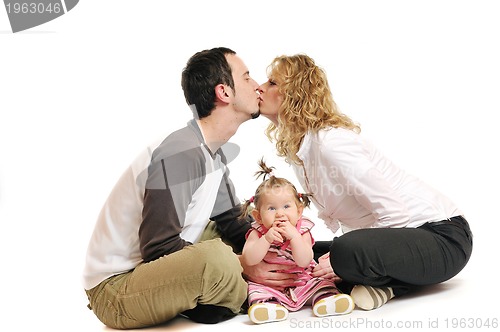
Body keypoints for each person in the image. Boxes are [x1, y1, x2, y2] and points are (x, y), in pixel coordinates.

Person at [252, 53, 473, 311]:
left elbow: (395, 214)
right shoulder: (303, 149)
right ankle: (378, 286)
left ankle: (385, 285)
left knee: (344, 251)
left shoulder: (331, 144)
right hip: (404, 242)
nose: (260, 87)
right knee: (299, 251)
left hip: (442, 240)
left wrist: (339, 260)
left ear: (295, 94)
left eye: (272, 83)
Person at [82, 47, 261, 329]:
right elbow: (159, 246)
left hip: (155, 269)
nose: (258, 86)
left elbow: (233, 221)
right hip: (118, 289)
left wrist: (275, 243)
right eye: (248, 77)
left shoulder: (212, 151)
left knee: (235, 235)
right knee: (218, 259)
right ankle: (253, 293)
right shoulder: (183, 153)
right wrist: (244, 262)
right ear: (224, 92)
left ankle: (255, 286)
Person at [241, 159, 354, 324]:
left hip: (301, 279)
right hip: (269, 283)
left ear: (299, 211)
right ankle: (269, 307)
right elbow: (249, 259)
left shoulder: (302, 230)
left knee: (321, 284)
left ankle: (326, 300)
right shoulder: (258, 232)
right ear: (258, 216)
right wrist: (266, 239)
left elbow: (305, 260)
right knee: (255, 290)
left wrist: (294, 237)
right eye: (272, 208)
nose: (280, 214)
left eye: (286, 207)